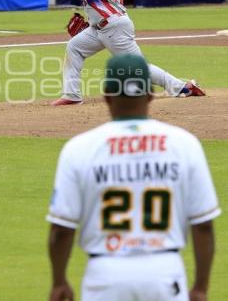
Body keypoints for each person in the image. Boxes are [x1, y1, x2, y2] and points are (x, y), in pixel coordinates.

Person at [46, 54, 220, 301]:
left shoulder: (80, 148)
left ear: (106, 95)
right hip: (165, 273)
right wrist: (201, 287)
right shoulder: (184, 144)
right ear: (150, 94)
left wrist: (59, 281)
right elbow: (203, 224)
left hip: (105, 277)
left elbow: (62, 230)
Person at [23, 0, 205, 106]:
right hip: (102, 27)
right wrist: (93, 21)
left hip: (113, 27)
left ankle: (183, 87)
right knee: (75, 47)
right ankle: (72, 95)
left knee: (138, 67)